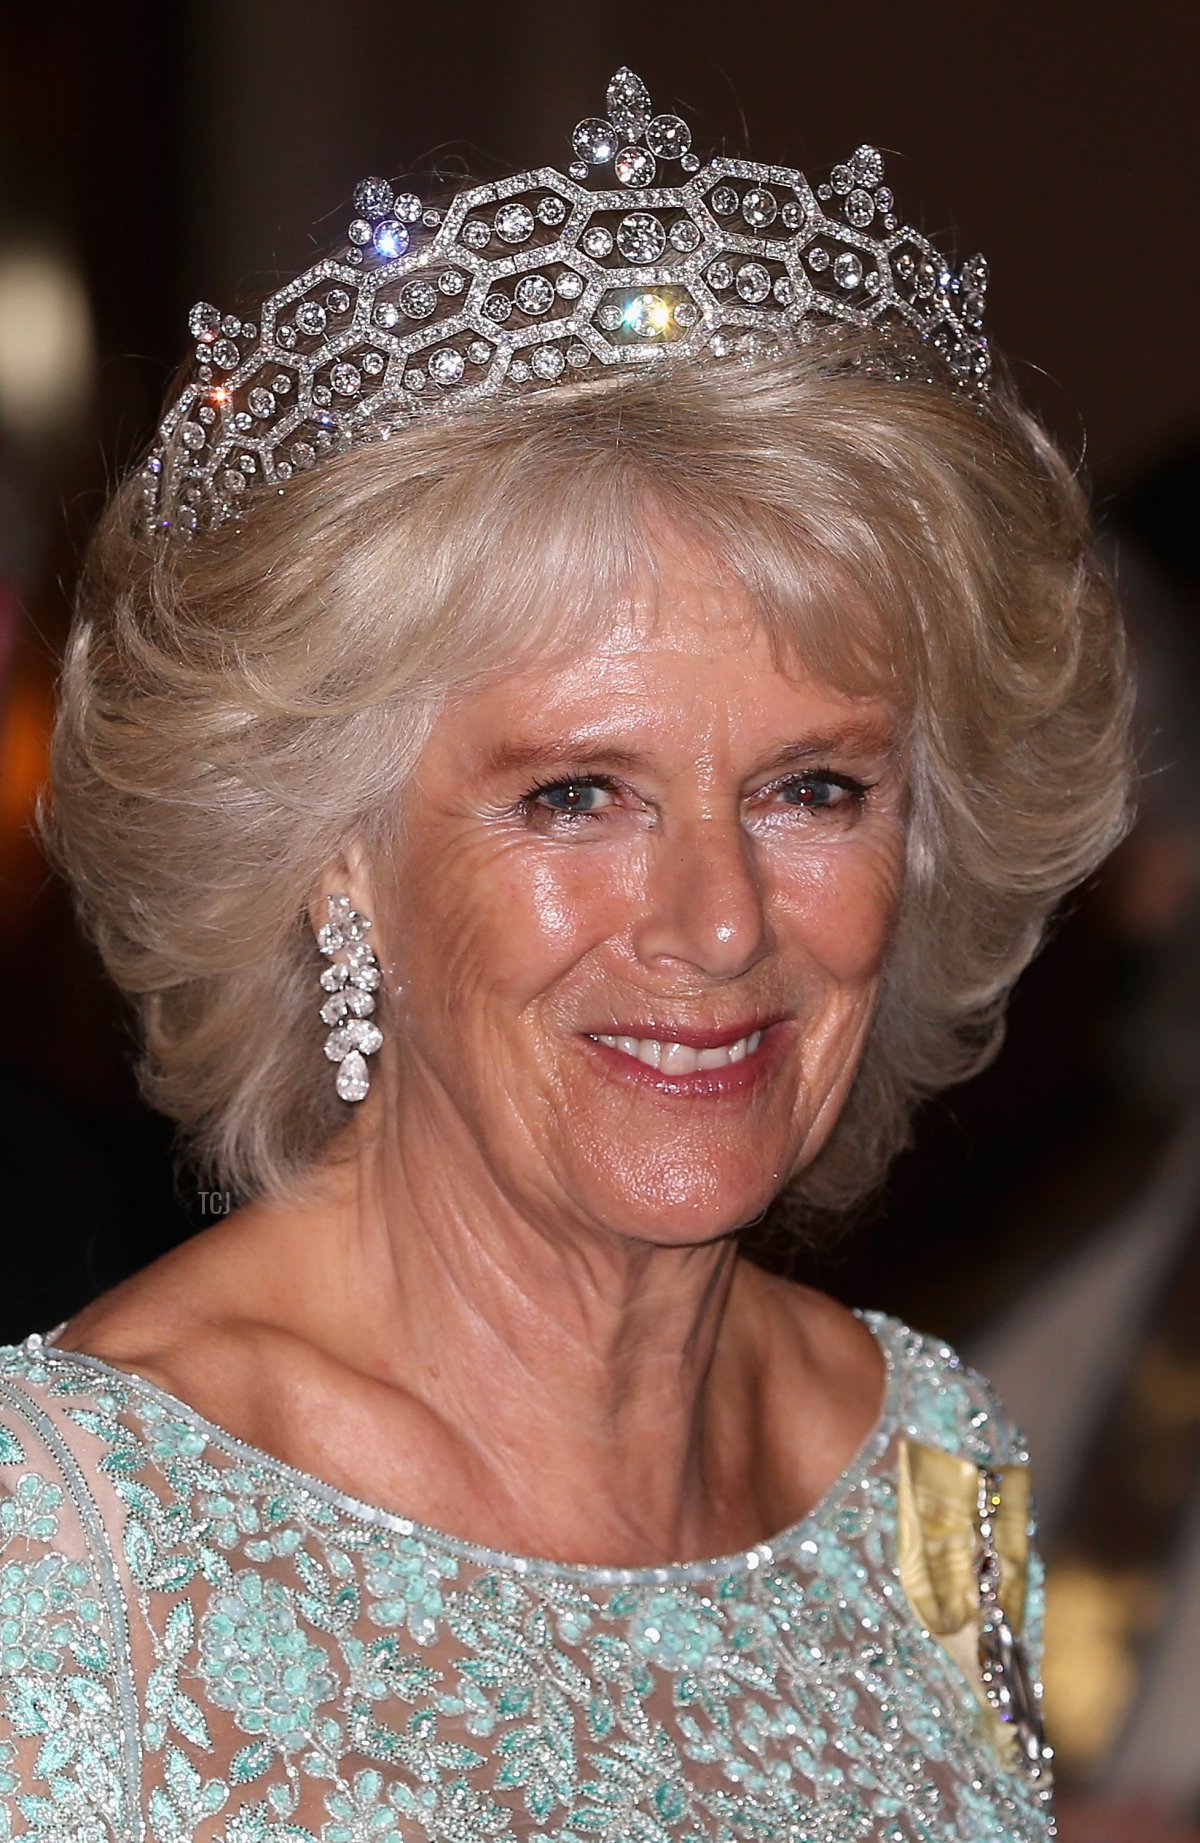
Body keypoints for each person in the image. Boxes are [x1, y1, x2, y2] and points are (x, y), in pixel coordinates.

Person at [0, 68, 1131, 1843]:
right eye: (578, 795)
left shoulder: (935, 1461)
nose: (719, 920)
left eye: (814, 787)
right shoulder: (67, 1541)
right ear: (336, 862)